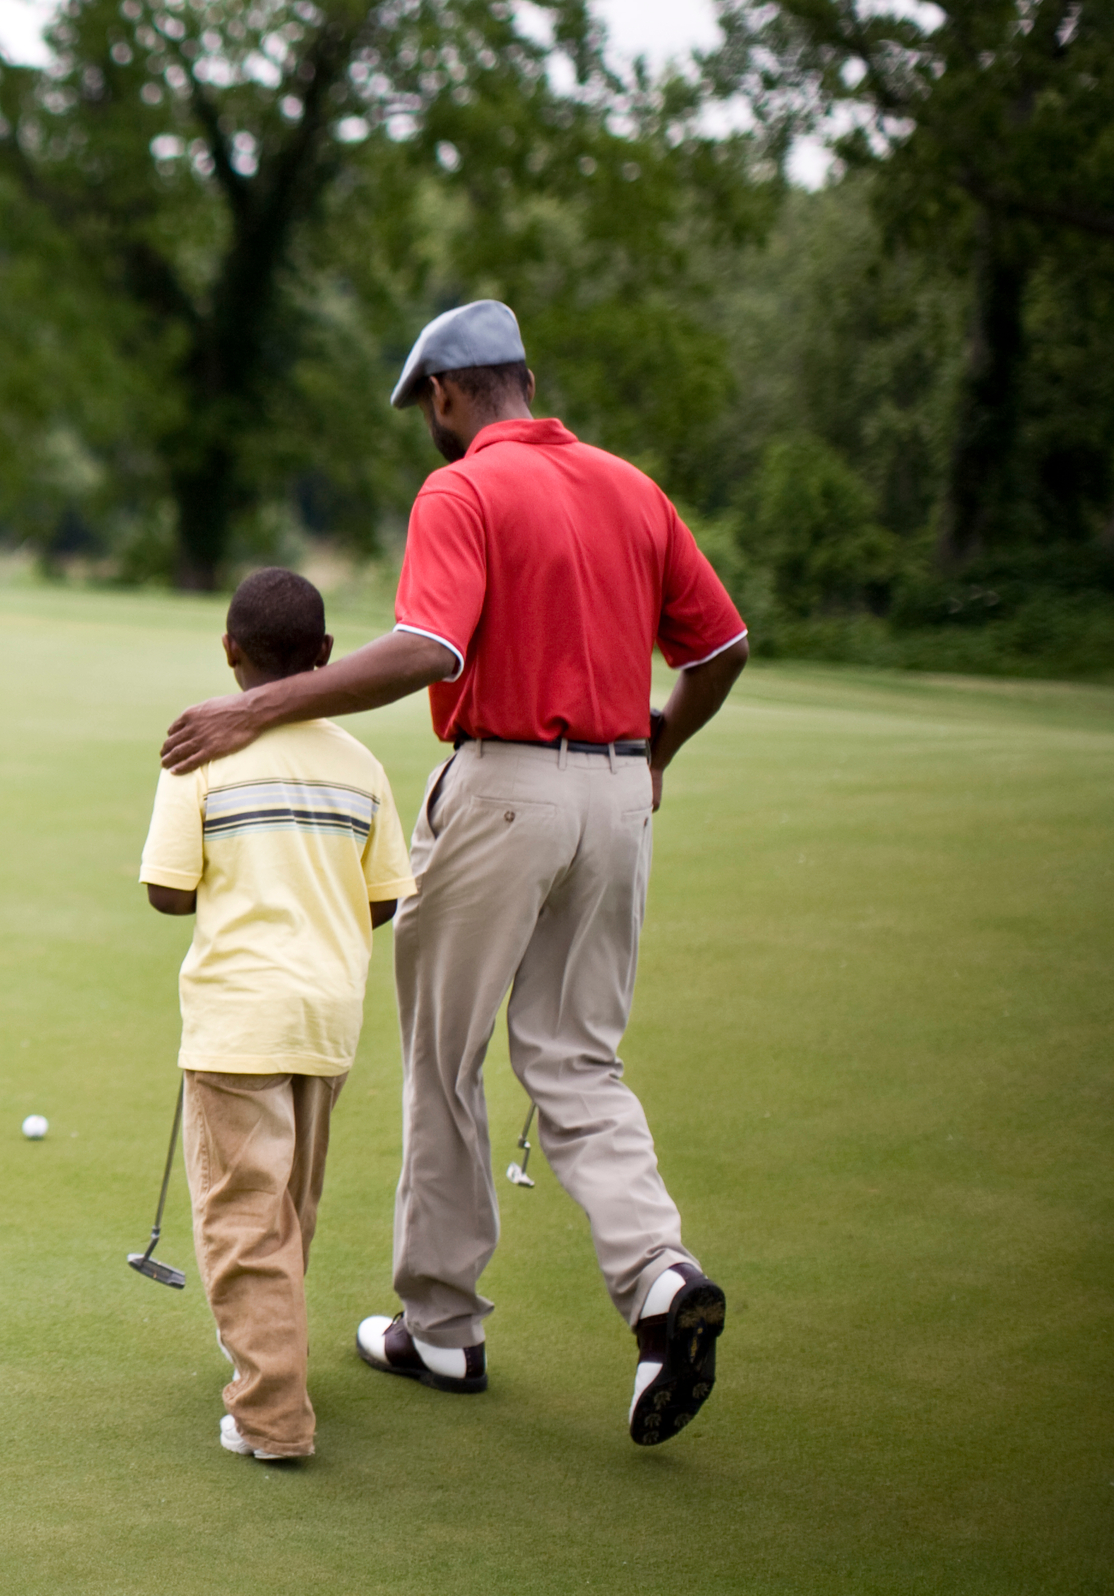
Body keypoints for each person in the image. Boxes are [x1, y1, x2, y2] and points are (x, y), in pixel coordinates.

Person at [157, 300, 751, 1448]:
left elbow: (432, 648)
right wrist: (655, 751)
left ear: (446, 393)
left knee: (445, 1054)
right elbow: (720, 648)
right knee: (578, 1057)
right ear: (526, 375)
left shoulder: (463, 488)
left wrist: (254, 705)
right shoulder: (632, 486)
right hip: (621, 788)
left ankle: (441, 1323)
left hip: (506, 785)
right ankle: (659, 1278)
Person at [139, 567, 416, 1461]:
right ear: (325, 657)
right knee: (288, 1207)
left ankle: (271, 1415)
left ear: (229, 651)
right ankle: (273, 1358)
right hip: (326, 1019)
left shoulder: (200, 752)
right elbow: (384, 900)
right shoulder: (362, 765)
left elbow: (167, 893)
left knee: (242, 1215)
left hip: (237, 1019)